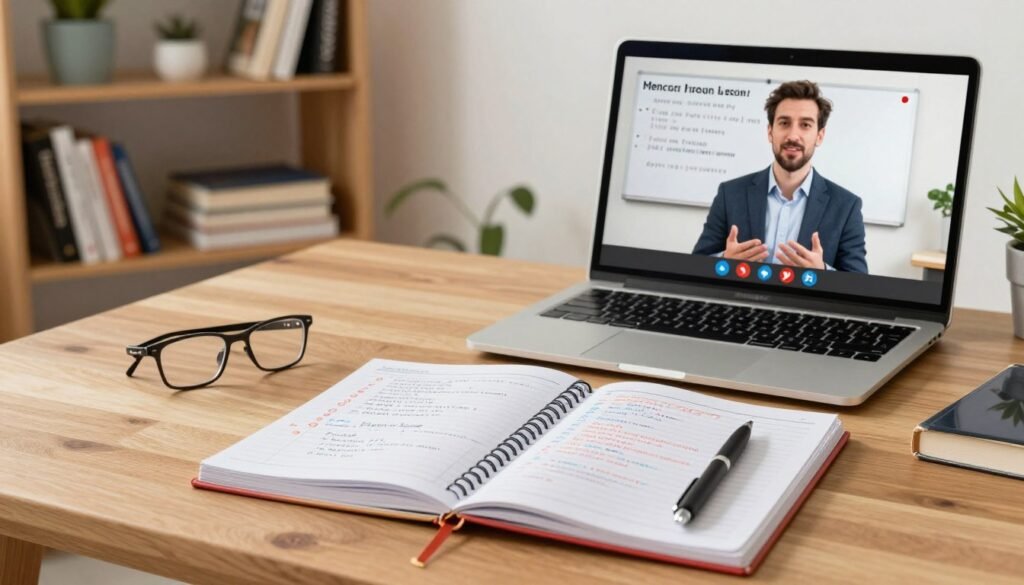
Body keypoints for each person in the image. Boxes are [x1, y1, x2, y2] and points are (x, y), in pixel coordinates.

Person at [692, 80, 868, 273]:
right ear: (770, 132)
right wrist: (724, 261)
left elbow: (857, 282)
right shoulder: (730, 194)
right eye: (784, 123)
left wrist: (823, 272)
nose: (793, 135)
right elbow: (696, 266)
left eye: (805, 125)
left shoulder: (847, 206)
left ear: (820, 136)